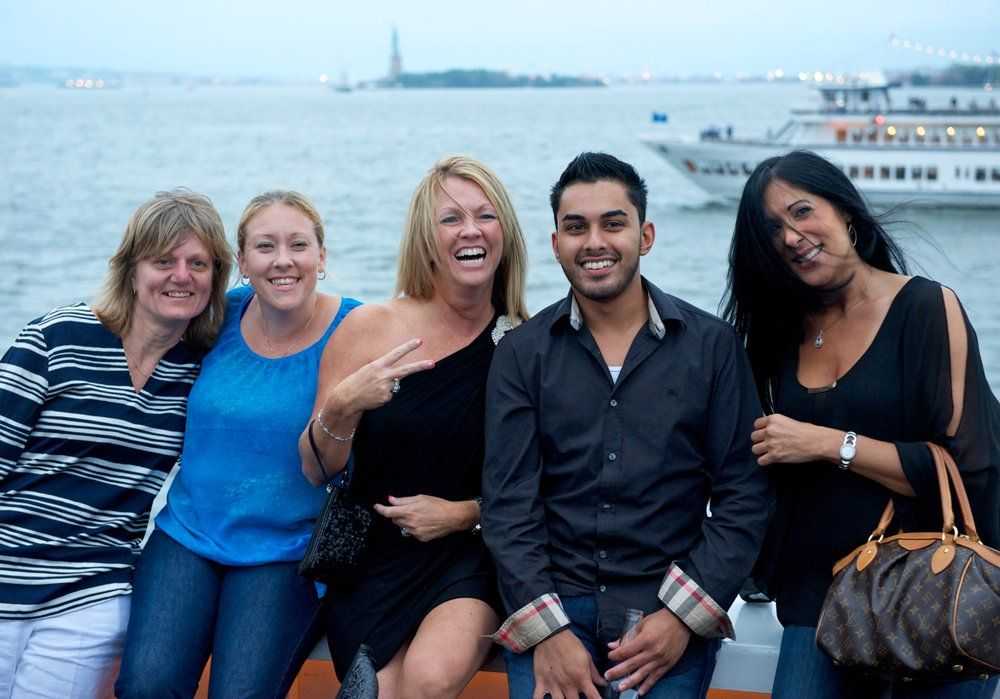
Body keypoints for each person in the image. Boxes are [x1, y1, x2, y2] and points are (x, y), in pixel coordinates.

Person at [482, 152, 771, 699]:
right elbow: (508, 504)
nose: (594, 242)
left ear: (646, 235)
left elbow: (745, 495)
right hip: (556, 605)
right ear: (556, 244)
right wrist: (549, 633)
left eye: (613, 224)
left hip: (664, 604)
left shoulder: (711, 347)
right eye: (576, 228)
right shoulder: (521, 354)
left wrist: (681, 618)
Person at [723, 150, 1000, 698]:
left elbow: (968, 468)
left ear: (845, 209)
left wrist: (830, 444)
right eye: (772, 230)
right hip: (816, 597)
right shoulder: (779, 332)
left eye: (802, 211)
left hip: (933, 588)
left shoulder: (926, 307)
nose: (791, 237)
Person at [115, 191, 360, 698]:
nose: (283, 260)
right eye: (265, 247)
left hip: (285, 551)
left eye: (298, 245)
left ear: (322, 256)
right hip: (188, 536)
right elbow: (139, 337)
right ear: (243, 262)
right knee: (146, 685)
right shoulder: (216, 317)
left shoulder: (356, 328)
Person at [301, 155, 529, 697]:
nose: (470, 230)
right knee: (377, 689)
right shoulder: (371, 328)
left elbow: (542, 482)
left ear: (505, 235)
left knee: (429, 678)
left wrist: (464, 514)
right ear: (426, 239)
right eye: (451, 218)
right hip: (372, 556)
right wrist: (343, 405)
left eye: (485, 216)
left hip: (471, 552)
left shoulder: (523, 345)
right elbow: (315, 468)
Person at [0, 189, 232, 699]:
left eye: (198, 263)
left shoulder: (199, 375)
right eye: (163, 261)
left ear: (216, 278)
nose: (181, 275)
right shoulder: (57, 337)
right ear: (131, 269)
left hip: (90, 594)